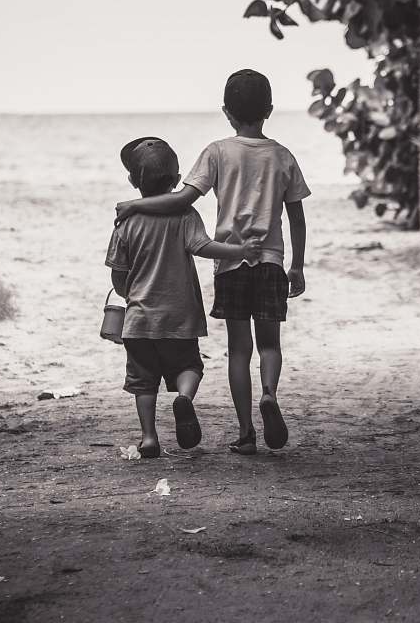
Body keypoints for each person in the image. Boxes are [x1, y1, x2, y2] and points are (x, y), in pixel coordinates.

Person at [115, 69, 309, 455]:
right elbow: (297, 217)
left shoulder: (217, 152)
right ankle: (269, 393)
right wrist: (297, 265)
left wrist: (135, 203)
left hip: (232, 267)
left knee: (239, 349)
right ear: (269, 109)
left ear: (226, 112)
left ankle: (246, 432)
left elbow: (181, 200)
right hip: (269, 261)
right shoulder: (283, 155)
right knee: (269, 344)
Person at [107, 136, 261, 458]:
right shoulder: (185, 214)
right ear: (177, 181)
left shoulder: (126, 221)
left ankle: (149, 438)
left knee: (143, 383)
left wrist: (125, 292)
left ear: (133, 182)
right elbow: (202, 247)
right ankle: (184, 399)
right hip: (180, 318)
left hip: (139, 321)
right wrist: (239, 250)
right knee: (190, 366)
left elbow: (118, 274)